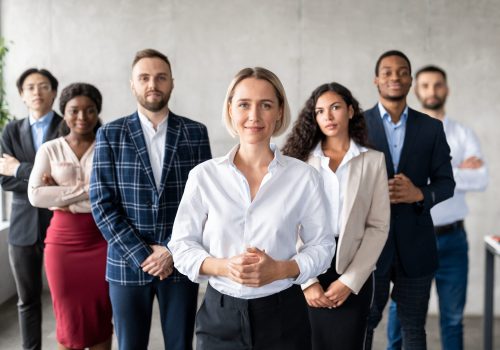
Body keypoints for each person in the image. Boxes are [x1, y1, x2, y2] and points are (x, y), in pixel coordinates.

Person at [168, 67, 335, 350]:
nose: (254, 116)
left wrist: (282, 269)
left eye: (266, 105)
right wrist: (224, 266)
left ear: (280, 111)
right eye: (244, 104)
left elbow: (322, 246)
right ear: (231, 109)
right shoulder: (204, 176)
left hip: (284, 316)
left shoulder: (304, 177)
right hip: (219, 316)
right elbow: (182, 246)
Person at [90, 48, 211, 350]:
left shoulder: (195, 133)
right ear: (132, 85)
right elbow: (102, 204)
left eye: (160, 77)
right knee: (129, 345)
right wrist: (142, 253)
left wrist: (171, 250)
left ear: (172, 83)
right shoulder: (110, 134)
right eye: (144, 78)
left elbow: (205, 203)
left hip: (180, 261)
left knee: (181, 344)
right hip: (127, 262)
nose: (152, 84)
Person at [386, 65, 488, 350]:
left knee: (453, 318)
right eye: (426, 85)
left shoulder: (463, 133)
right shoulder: (403, 132)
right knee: (399, 315)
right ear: (416, 90)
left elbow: (481, 179)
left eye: (438, 85)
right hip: (411, 238)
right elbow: (396, 181)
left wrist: (436, 175)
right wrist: (453, 168)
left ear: (447, 89)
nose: (432, 91)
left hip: (452, 239)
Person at [282, 82, 390, 349]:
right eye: (320, 111)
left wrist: (350, 281)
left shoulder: (372, 161)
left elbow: (378, 226)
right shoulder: (299, 161)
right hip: (304, 266)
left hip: (352, 269)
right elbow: (286, 223)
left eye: (335, 108)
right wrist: (307, 281)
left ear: (351, 111)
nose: (328, 117)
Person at [363, 50, 455, 350]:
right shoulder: (357, 127)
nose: (395, 77)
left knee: (414, 327)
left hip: (416, 246)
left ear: (410, 80)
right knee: (364, 322)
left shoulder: (430, 128)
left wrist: (420, 194)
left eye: (402, 72)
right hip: (369, 247)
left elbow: (446, 183)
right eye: (387, 72)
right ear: (376, 79)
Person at [27, 83, 112, 350]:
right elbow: (36, 196)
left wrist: (60, 193)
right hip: (62, 242)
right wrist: (91, 191)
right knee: (67, 319)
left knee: (101, 316)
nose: (82, 117)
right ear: (63, 112)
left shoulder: (108, 147)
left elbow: (114, 194)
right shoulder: (50, 149)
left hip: (102, 240)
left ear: (98, 112)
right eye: (74, 110)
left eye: (90, 110)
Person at [0, 68, 62, 350]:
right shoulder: (11, 130)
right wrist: (41, 179)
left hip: (61, 225)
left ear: (54, 91)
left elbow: (67, 181)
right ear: (22, 96)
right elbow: (3, 179)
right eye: (30, 87)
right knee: (27, 301)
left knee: (66, 298)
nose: (37, 92)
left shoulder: (68, 126)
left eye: (43, 86)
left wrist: (19, 170)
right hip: (22, 229)